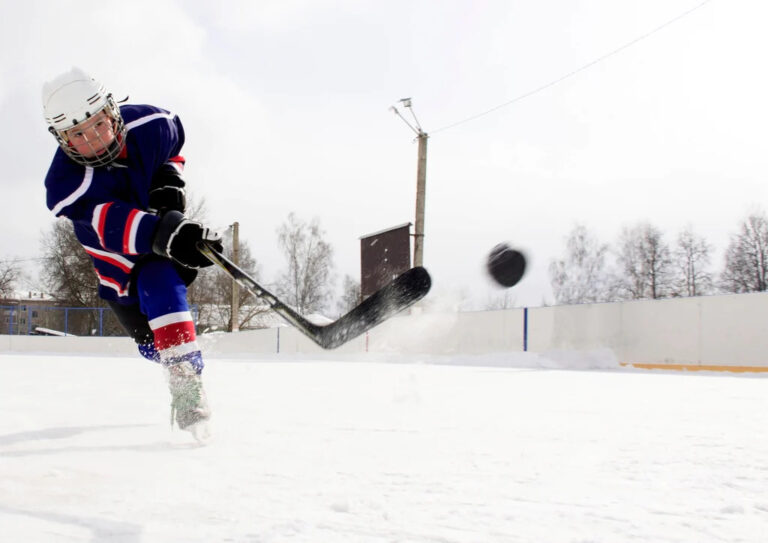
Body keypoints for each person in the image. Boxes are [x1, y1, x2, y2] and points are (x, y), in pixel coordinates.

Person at [42, 67, 222, 438]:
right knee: (151, 346)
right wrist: (173, 233)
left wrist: (168, 182)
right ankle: (173, 352)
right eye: (77, 133)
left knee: (162, 283)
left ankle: (187, 387)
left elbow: (171, 150)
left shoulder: (152, 123)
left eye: (98, 124)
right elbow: (113, 224)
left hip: (155, 260)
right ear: (62, 139)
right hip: (117, 270)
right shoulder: (67, 183)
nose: (92, 139)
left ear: (112, 112)